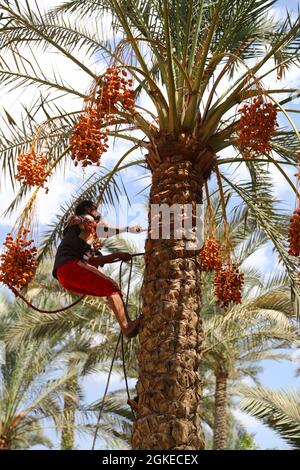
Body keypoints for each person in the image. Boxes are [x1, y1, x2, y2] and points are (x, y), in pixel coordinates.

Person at [52, 199, 143, 337]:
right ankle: (127, 327)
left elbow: (93, 260)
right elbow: (101, 230)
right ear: (88, 210)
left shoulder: (82, 241)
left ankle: (128, 324)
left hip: (63, 276)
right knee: (111, 286)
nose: (98, 212)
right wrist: (128, 229)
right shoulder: (83, 219)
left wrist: (118, 255)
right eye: (95, 209)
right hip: (70, 265)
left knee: (110, 289)